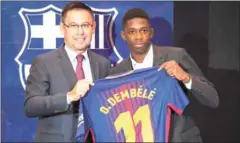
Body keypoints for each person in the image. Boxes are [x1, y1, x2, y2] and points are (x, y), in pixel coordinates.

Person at [110, 8, 219, 142]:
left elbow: (213, 99)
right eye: (132, 32)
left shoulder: (176, 56)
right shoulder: (118, 72)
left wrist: (185, 77)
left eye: (143, 30)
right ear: (123, 35)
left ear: (151, 33)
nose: (138, 36)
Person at [24, 1, 111, 142]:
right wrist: (69, 96)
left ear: (93, 27)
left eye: (85, 25)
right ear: (62, 28)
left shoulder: (103, 64)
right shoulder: (44, 62)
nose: (80, 32)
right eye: (74, 26)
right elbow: (31, 106)